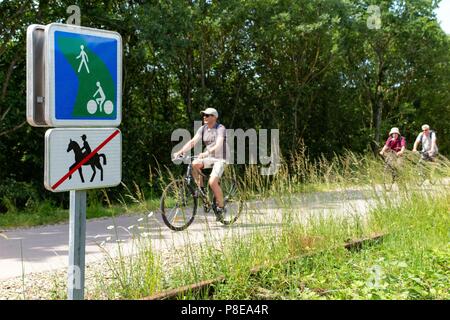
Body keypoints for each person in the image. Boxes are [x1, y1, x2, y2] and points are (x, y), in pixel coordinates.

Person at [173, 108, 228, 218]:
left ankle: (221, 207)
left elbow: (219, 144)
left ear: (214, 117)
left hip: (221, 158)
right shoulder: (203, 129)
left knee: (212, 182)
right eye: (203, 115)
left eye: (207, 115)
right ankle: (203, 193)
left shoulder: (220, 128)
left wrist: (207, 152)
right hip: (209, 157)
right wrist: (180, 151)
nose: (204, 117)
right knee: (194, 163)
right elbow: (193, 141)